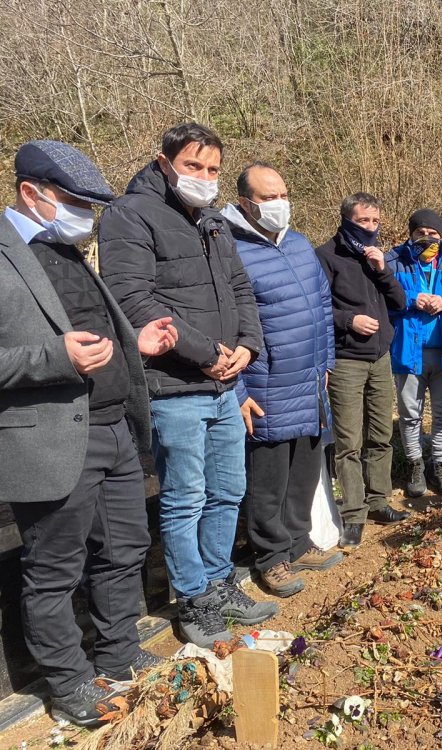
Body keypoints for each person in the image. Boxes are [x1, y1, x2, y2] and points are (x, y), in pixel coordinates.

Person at [0, 141, 179, 725]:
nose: (87, 214)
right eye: (76, 201)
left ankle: (119, 656)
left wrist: (135, 344)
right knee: (54, 571)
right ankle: (70, 683)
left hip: (114, 430)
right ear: (31, 193)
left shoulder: (69, 251)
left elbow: (95, 325)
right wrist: (55, 357)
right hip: (51, 440)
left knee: (125, 550)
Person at [99, 123, 274, 647]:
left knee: (228, 491)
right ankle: (193, 598)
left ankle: (220, 582)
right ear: (164, 161)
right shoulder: (128, 216)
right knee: (184, 497)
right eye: (194, 166)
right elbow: (133, 300)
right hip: (174, 386)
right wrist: (205, 355)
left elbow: (241, 288)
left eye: (213, 169)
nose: (204, 177)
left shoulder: (214, 220)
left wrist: (246, 345)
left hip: (225, 385)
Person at [221, 162, 342, 599]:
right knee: (268, 479)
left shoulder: (298, 243)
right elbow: (226, 327)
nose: (279, 204)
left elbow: (322, 307)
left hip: (309, 380)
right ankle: (270, 558)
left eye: (283, 194)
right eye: (268, 197)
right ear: (245, 204)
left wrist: (326, 362)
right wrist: (239, 391)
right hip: (266, 383)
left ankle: (297, 541)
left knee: (306, 467)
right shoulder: (228, 248)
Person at [315, 193, 409, 550]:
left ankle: (378, 501)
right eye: (363, 221)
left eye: (375, 221)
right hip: (346, 360)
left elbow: (399, 302)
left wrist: (382, 270)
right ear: (346, 221)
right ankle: (353, 513)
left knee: (381, 433)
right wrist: (348, 320)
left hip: (380, 357)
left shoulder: (378, 257)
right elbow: (318, 309)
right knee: (349, 440)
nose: (370, 227)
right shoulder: (325, 256)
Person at [385, 209, 442, 498]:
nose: (427, 237)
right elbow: (381, 299)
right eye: (420, 232)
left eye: (433, 233)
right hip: (408, 351)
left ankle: (440, 464)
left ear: (440, 234)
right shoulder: (392, 261)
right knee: (410, 414)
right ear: (410, 234)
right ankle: (415, 464)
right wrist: (412, 299)